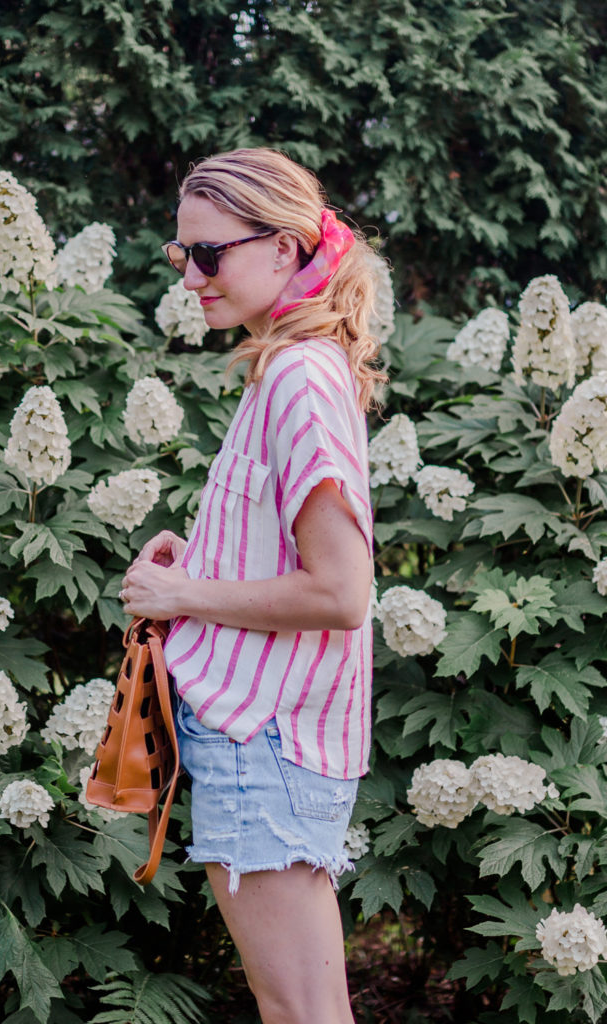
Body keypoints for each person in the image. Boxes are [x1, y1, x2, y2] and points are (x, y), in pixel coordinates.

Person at [120, 147, 384, 1024]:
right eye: (179, 254)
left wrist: (179, 598)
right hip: (267, 739)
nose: (190, 276)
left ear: (281, 248)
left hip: (263, 740)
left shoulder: (299, 378)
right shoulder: (291, 362)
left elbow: (340, 594)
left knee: (300, 1014)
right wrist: (197, 560)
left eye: (209, 253)